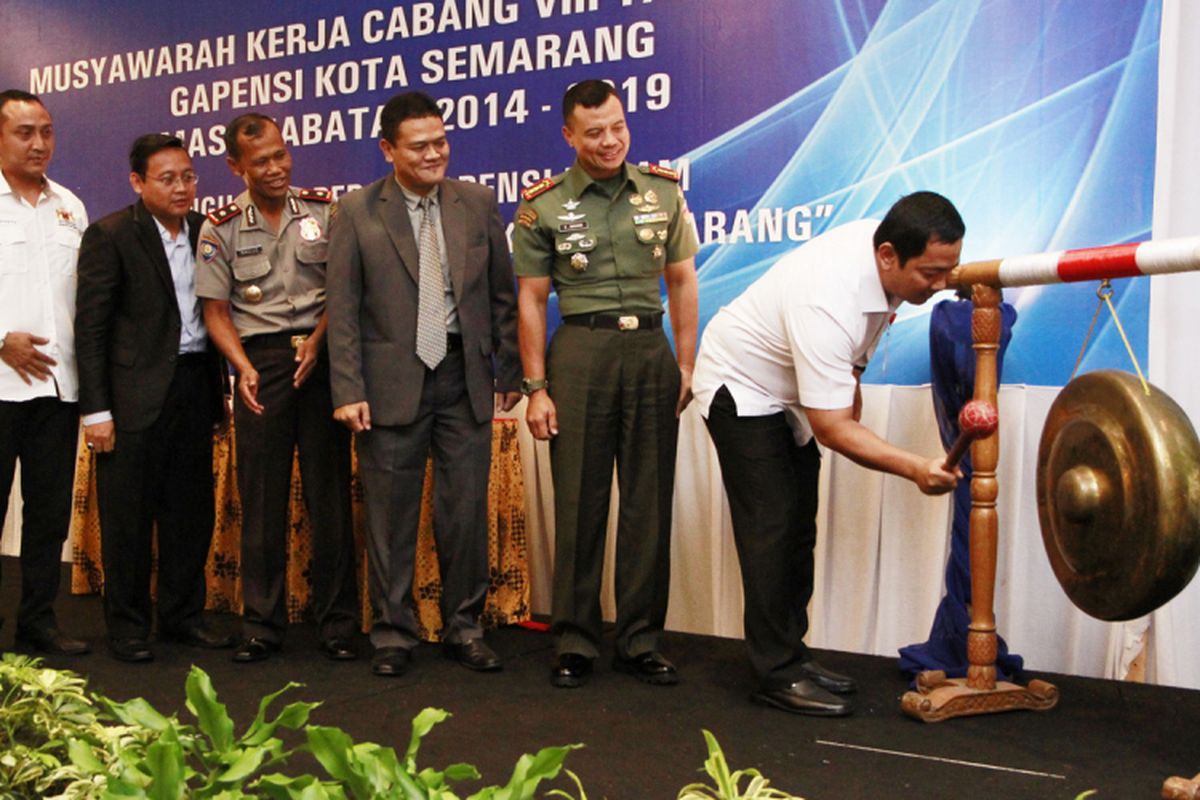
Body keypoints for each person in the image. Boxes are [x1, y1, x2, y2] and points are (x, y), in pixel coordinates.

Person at [691, 191, 964, 716]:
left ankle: (793, 654)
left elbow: (854, 361)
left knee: (799, 530)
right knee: (771, 532)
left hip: (788, 393)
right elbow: (836, 429)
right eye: (931, 274)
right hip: (740, 388)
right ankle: (775, 673)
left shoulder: (884, 260)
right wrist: (916, 468)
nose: (941, 284)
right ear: (888, 255)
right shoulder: (828, 296)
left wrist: (852, 378)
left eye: (948, 270)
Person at [512, 79, 699, 688]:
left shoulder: (663, 193)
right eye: (594, 131)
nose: (610, 140)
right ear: (569, 135)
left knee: (648, 502)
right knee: (580, 501)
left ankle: (641, 639)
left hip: (649, 351)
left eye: (617, 126)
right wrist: (536, 386)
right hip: (581, 354)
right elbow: (533, 301)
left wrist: (688, 364)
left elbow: (682, 282)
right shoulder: (544, 206)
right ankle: (575, 639)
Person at [326, 91, 520, 678]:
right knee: (390, 516)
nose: (435, 153)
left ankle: (465, 627)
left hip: (464, 377)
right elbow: (344, 309)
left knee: (464, 512)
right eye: (420, 145)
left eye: (441, 141)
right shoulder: (356, 212)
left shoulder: (477, 202)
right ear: (388, 149)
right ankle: (392, 632)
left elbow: (502, 295)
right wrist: (347, 389)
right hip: (388, 385)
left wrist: (508, 371)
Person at [196, 113, 358, 663]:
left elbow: (344, 290)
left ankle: (337, 623)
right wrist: (241, 365)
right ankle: (262, 625)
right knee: (260, 498)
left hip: (320, 357)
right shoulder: (220, 228)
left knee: (329, 494)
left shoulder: (323, 213)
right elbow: (215, 312)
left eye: (281, 155)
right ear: (235, 167)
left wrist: (319, 339)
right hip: (260, 364)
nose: (275, 168)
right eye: (261, 161)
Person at [75, 134, 232, 662]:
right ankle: (127, 627)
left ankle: (183, 616)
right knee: (129, 519)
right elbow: (91, 330)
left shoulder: (205, 228)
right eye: (167, 178)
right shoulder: (112, 235)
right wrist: (96, 411)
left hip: (193, 385)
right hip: (131, 397)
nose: (182, 187)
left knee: (191, 512)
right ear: (137, 182)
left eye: (188, 176)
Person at [0, 89, 90, 656]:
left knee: (49, 514)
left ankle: (38, 622)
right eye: (24, 132)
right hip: (0, 387)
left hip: (59, 388)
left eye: (46, 132)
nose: (39, 144)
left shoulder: (70, 206)